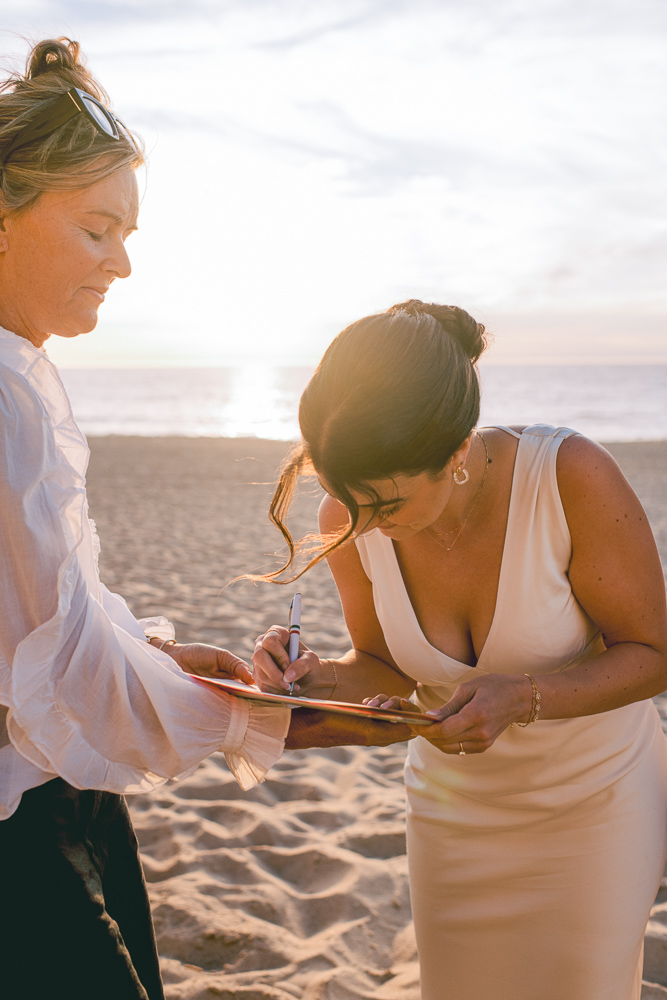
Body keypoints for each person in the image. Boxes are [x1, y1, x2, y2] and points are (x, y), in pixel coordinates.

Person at [252, 299, 667, 1000]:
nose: (365, 525)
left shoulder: (568, 476)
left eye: (387, 505)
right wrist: (311, 678)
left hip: (597, 808)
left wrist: (525, 696)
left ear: (456, 453)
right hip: (454, 819)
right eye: (349, 499)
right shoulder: (349, 517)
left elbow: (653, 651)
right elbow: (383, 666)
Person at [0, 38, 289, 1000]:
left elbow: (47, 612)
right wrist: (250, 720)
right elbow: (62, 670)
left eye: (126, 234)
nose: (121, 263)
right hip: (22, 819)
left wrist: (154, 651)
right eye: (96, 228)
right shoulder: (8, 393)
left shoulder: (22, 374)